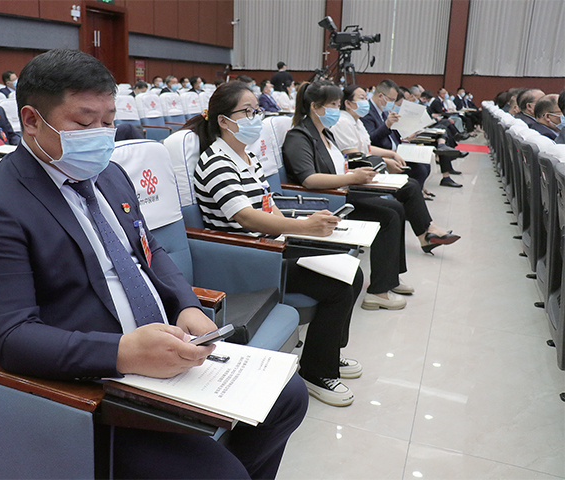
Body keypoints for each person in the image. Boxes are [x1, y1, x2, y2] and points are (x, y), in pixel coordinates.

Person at [0, 49, 308, 480]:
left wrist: (185, 304)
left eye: (108, 121)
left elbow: (148, 249)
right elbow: (11, 336)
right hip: (93, 384)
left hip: (165, 349)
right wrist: (123, 353)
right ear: (31, 120)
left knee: (289, 396)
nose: (101, 136)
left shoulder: (110, 174)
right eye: (84, 123)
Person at [187, 80, 364, 406]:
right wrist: (304, 227)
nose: (256, 118)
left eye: (257, 111)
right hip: (251, 259)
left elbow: (268, 206)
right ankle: (316, 372)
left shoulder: (246, 156)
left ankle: (326, 353)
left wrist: (300, 230)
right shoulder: (216, 162)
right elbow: (247, 218)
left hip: (272, 247)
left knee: (352, 272)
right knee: (338, 287)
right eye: (247, 112)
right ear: (224, 120)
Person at [282, 80, 415, 311]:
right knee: (388, 217)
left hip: (340, 192)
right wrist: (351, 178)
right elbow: (309, 179)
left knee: (396, 208)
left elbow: (337, 167)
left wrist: (356, 172)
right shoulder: (299, 136)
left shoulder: (325, 133)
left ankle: (390, 277)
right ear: (315, 107)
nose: (337, 110)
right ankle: (379, 292)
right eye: (333, 105)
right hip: (325, 202)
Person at [330, 84, 460, 252]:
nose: (365, 102)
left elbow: (367, 148)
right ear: (348, 103)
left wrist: (391, 154)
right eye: (361, 98)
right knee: (409, 186)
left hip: (370, 163)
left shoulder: (356, 121)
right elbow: (354, 154)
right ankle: (427, 233)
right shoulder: (343, 122)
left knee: (412, 182)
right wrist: (385, 160)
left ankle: (427, 234)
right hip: (359, 171)